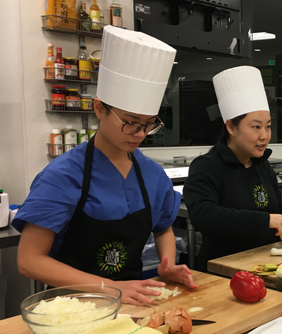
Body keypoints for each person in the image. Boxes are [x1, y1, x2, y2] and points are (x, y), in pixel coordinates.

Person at [13, 26, 195, 306]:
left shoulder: (152, 174)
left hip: (133, 301)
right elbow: (29, 260)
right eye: (130, 122)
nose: (140, 134)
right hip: (71, 307)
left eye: (149, 124)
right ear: (99, 109)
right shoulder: (62, 176)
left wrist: (166, 264)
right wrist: (109, 287)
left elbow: (163, 228)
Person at [184, 66, 282, 270]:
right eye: (256, 127)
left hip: (265, 263)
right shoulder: (207, 166)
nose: (264, 135)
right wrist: (266, 220)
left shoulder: (262, 165)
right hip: (222, 268)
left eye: (268, 126)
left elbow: (278, 208)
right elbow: (203, 215)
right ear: (231, 127)